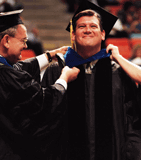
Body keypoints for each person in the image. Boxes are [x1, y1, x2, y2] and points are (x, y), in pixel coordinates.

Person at [42, 1, 141, 160]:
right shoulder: (57, 71)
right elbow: (45, 120)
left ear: (103, 34)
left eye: (93, 26)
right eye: (81, 27)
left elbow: (132, 121)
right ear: (73, 35)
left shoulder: (118, 72)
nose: (88, 30)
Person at [0, 9, 80, 160]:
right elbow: (44, 102)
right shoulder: (6, 74)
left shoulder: (5, 68)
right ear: (6, 40)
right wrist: (64, 78)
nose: (25, 46)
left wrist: (49, 55)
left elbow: (20, 68)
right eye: (23, 41)